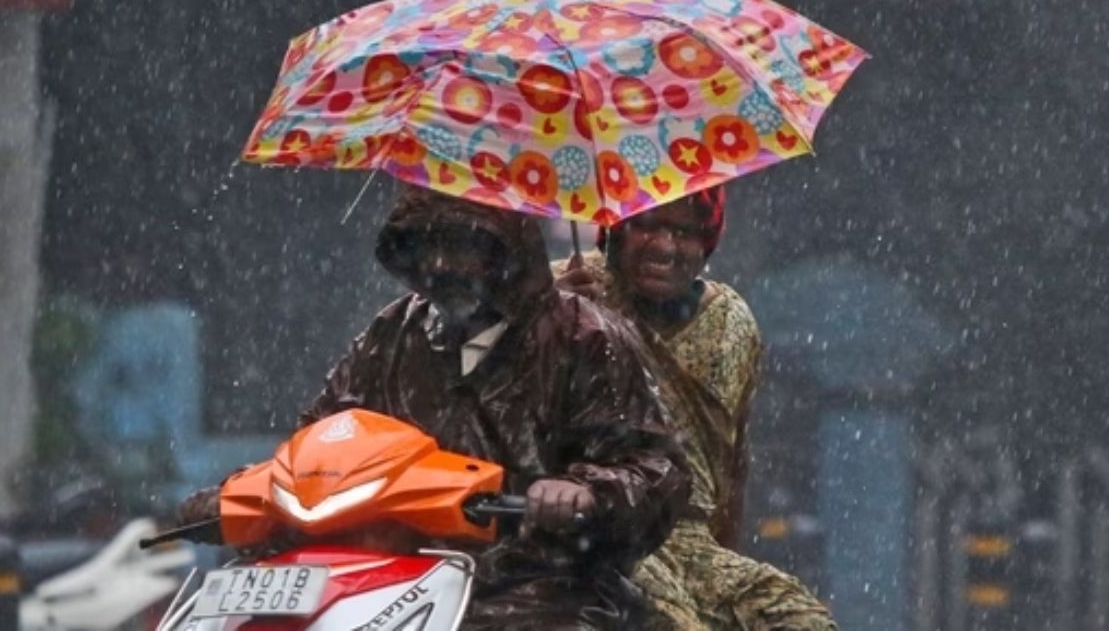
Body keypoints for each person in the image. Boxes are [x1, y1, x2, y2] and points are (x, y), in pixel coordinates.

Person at [180, 187, 689, 630]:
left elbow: (655, 470)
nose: (443, 264)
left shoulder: (585, 338)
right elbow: (317, 445)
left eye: (464, 245)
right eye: (428, 245)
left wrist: (584, 494)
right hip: (379, 581)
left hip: (532, 591)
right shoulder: (391, 332)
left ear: (508, 251)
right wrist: (248, 494)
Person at [554, 187, 836, 630]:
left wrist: (727, 566)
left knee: (800, 621)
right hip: (600, 532)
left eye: (685, 232)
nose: (665, 247)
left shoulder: (731, 323)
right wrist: (549, 323)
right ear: (615, 231)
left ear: (707, 244)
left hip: (691, 543)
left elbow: (730, 466)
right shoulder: (562, 292)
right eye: (648, 225)